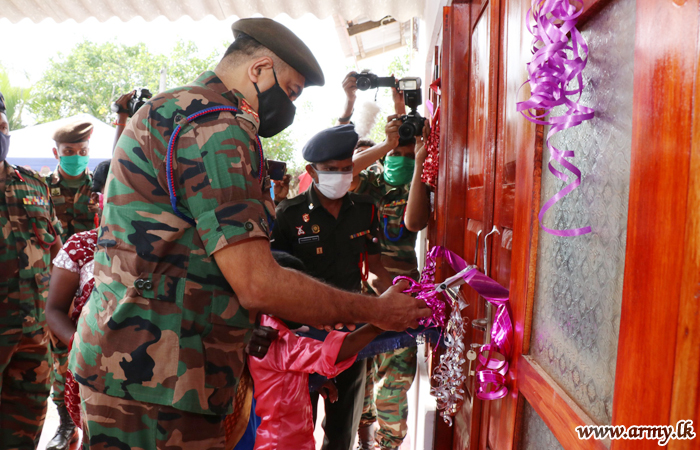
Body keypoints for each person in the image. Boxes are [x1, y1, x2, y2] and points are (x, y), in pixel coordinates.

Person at [68, 17, 429, 450]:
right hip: (157, 378)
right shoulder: (217, 128)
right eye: (290, 91)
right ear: (259, 69)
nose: (289, 106)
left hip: (142, 367)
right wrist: (379, 313)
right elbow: (258, 283)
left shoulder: (173, 108)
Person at [271, 124, 396, 450]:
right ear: (312, 171)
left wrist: (400, 297)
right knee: (300, 425)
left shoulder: (366, 209)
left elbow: (376, 267)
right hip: (303, 337)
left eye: (345, 169)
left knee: (343, 432)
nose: (340, 176)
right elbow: (276, 280)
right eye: (330, 170)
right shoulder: (288, 216)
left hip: (352, 334)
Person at [45, 92, 132, 450]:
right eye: (69, 152)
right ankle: (66, 422)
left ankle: (83, 422)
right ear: (56, 154)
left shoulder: (97, 191)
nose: (77, 158)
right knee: (58, 361)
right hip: (51, 287)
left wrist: (123, 122)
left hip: (93, 284)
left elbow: (120, 167)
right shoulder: (40, 190)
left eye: (83, 151)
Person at [249, 251, 381, 450]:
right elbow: (331, 352)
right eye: (299, 297)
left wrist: (311, 380)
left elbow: (282, 374)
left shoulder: (267, 326)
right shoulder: (276, 339)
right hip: (281, 443)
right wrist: (379, 326)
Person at [353, 124, 431, 449]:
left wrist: (420, 164)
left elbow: (414, 222)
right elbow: (346, 169)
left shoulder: (417, 186)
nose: (400, 158)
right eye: (396, 154)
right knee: (363, 379)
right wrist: (387, 144)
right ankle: (361, 437)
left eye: (406, 154)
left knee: (394, 384)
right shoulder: (369, 183)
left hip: (401, 298)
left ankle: (387, 445)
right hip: (363, 299)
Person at [0, 90, 64, 448]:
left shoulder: (34, 185)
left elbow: (56, 251)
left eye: (3, 126)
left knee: (23, 434)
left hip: (34, 338)